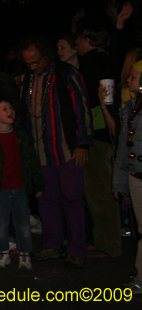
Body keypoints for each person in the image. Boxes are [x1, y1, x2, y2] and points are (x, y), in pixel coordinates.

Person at [17, 36, 92, 268]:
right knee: (46, 201)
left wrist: (82, 144)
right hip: (40, 153)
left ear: (45, 55)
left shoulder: (66, 73)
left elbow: (83, 107)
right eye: (28, 63)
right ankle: (52, 244)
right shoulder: (28, 79)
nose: (32, 67)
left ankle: (77, 249)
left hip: (67, 151)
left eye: (36, 62)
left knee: (73, 201)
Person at [0, 98, 44, 270]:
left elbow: (32, 161)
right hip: (0, 189)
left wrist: (38, 185)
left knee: (23, 223)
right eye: (4, 109)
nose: (10, 111)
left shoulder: (21, 135)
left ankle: (24, 254)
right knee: (0, 223)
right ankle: (3, 252)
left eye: (11, 108)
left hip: (19, 187)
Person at [74, 24, 122, 258]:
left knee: (100, 192)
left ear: (88, 39)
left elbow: (98, 98)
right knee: (97, 192)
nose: (76, 45)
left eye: (78, 39)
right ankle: (103, 241)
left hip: (99, 135)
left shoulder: (96, 62)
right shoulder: (100, 60)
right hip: (99, 133)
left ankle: (109, 245)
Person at [111, 57, 142, 294]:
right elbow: (124, 144)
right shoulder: (133, 106)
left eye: (132, 77)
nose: (128, 80)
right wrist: (120, 180)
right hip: (135, 176)